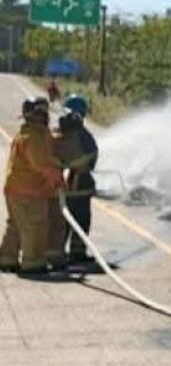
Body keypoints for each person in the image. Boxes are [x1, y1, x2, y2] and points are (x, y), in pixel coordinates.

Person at [0, 99, 64, 274]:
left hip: (15, 189)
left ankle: (7, 259)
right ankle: (33, 263)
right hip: (29, 192)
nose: (46, 116)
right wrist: (56, 177)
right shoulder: (34, 137)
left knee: (16, 225)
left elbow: (48, 147)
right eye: (43, 113)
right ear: (37, 114)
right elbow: (41, 163)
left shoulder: (27, 134)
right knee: (35, 225)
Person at [56, 95, 98, 262]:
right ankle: (77, 252)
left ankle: (58, 251)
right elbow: (92, 157)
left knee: (64, 219)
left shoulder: (61, 133)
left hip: (65, 184)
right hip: (81, 183)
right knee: (81, 219)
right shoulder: (83, 135)